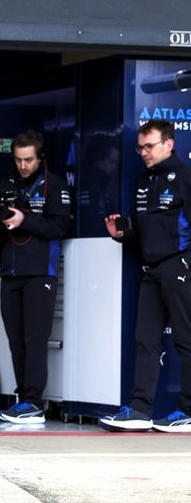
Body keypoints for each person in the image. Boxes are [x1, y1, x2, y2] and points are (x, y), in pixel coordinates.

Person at [101, 120, 191, 432]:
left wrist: (187, 262)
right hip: (151, 269)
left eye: (149, 146)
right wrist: (122, 234)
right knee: (145, 339)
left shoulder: (186, 176)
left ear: (169, 144)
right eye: (140, 148)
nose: (144, 153)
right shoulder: (143, 181)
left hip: (179, 266)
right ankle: (140, 410)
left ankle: (188, 411)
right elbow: (144, 229)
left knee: (186, 339)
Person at [0, 130, 71, 425]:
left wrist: (25, 219)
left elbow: (59, 227)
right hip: (10, 271)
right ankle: (22, 399)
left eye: (28, 160)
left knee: (35, 339)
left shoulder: (55, 185)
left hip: (40, 272)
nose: (23, 165)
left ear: (40, 158)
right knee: (15, 340)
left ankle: (34, 402)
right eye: (18, 160)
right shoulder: (7, 185)